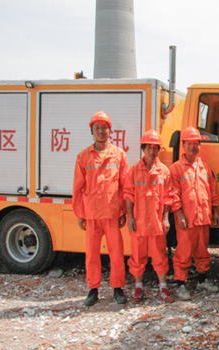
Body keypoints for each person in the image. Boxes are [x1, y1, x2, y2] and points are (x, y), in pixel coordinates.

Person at [73, 111, 129, 306]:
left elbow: (125, 186)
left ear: (109, 130)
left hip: (112, 213)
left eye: (104, 127)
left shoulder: (119, 155)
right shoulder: (83, 156)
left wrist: (124, 211)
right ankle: (93, 289)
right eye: (97, 128)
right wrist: (80, 213)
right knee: (92, 254)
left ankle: (118, 288)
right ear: (92, 131)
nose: (101, 131)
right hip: (92, 214)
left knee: (116, 252)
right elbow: (78, 188)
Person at [170, 126, 219, 301]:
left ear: (199, 145)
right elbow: (173, 194)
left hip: (203, 217)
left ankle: (202, 281)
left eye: (195, 143)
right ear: (183, 145)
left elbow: (212, 191)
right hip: (187, 220)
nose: (192, 146)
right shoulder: (176, 169)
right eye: (189, 143)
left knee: (202, 251)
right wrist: (179, 215)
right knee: (183, 253)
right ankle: (181, 285)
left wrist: (215, 211)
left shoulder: (204, 167)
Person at [124, 131, 175, 304]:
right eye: (149, 147)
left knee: (160, 256)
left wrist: (166, 218)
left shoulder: (164, 172)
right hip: (138, 222)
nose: (152, 151)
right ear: (143, 149)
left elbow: (168, 196)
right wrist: (130, 218)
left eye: (155, 148)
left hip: (156, 221)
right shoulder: (133, 171)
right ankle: (138, 288)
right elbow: (129, 196)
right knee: (137, 257)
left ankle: (163, 288)